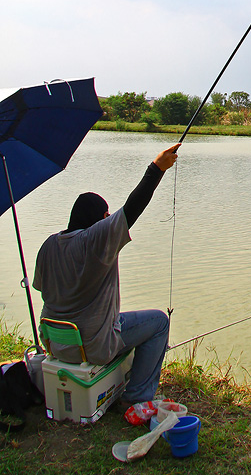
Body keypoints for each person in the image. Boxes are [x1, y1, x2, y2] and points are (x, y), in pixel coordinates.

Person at [33, 143, 181, 404]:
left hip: (55, 342)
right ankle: (137, 397)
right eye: (107, 217)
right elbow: (131, 210)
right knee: (159, 322)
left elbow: (43, 289)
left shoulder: (48, 245)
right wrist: (156, 169)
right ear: (102, 218)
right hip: (92, 345)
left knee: (124, 319)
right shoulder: (94, 241)